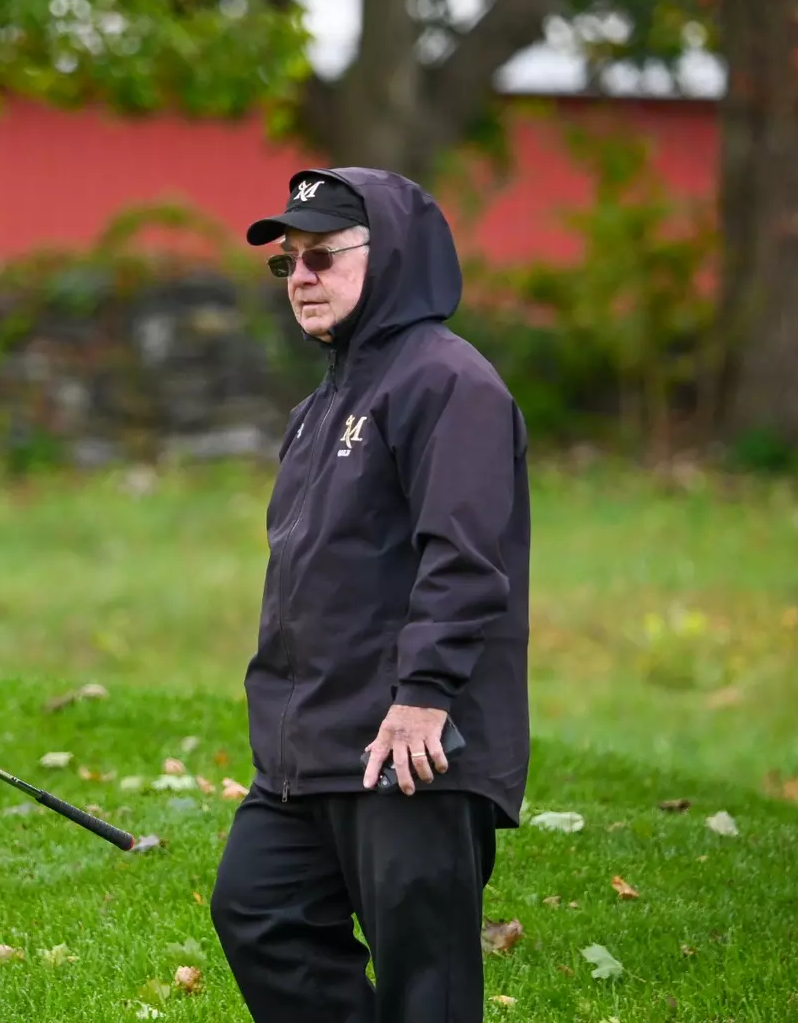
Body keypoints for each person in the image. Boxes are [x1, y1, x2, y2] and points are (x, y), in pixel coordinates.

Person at [209, 168, 531, 1023]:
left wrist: (423, 696)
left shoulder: (449, 383)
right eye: (290, 265)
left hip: (413, 747)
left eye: (322, 258)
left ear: (389, 257)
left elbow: (465, 558)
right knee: (257, 910)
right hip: (307, 748)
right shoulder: (323, 403)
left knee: (429, 984)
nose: (303, 278)